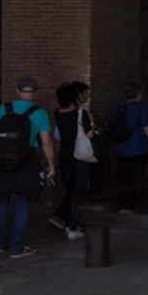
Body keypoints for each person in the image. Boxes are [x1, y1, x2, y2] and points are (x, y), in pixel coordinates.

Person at [0, 76, 55, 257]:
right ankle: (17, 247)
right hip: (27, 161)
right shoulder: (39, 113)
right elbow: (46, 143)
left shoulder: (1, 110)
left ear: (17, 90)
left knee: (0, 202)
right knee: (23, 203)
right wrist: (51, 166)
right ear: (36, 92)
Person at [48, 82, 95, 239]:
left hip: (64, 157)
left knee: (71, 191)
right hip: (79, 157)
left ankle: (62, 217)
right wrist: (92, 123)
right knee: (78, 193)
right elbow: (89, 134)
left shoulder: (57, 113)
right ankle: (71, 225)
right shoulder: (82, 113)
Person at [110, 81, 148, 213]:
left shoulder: (117, 107)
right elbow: (147, 128)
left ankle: (122, 204)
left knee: (122, 176)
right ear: (139, 94)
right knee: (135, 178)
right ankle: (131, 206)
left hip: (120, 148)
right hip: (137, 148)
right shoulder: (140, 108)